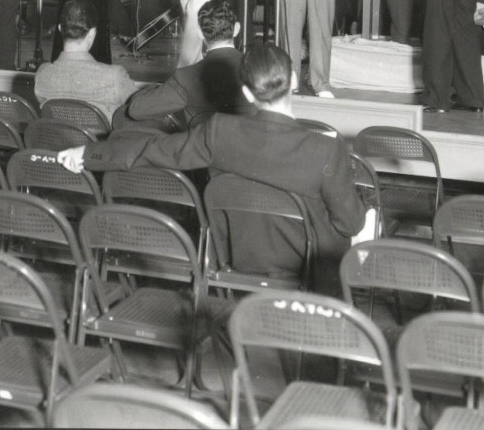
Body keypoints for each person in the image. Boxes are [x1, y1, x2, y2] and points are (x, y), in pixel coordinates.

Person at [56, 41, 365, 296]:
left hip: (237, 256)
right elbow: (350, 225)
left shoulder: (219, 132)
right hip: (307, 268)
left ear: (246, 92)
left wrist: (88, 152)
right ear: (294, 81)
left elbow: (152, 150)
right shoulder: (326, 149)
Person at [123, 0, 257, 130]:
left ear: (199, 33)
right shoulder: (259, 69)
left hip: (202, 149)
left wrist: (148, 88)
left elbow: (136, 110)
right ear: (237, 29)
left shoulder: (184, 77)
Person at [35, 0, 141, 119]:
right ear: (92, 33)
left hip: (55, 137)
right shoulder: (114, 76)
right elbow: (141, 108)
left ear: (60, 29)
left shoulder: (42, 74)